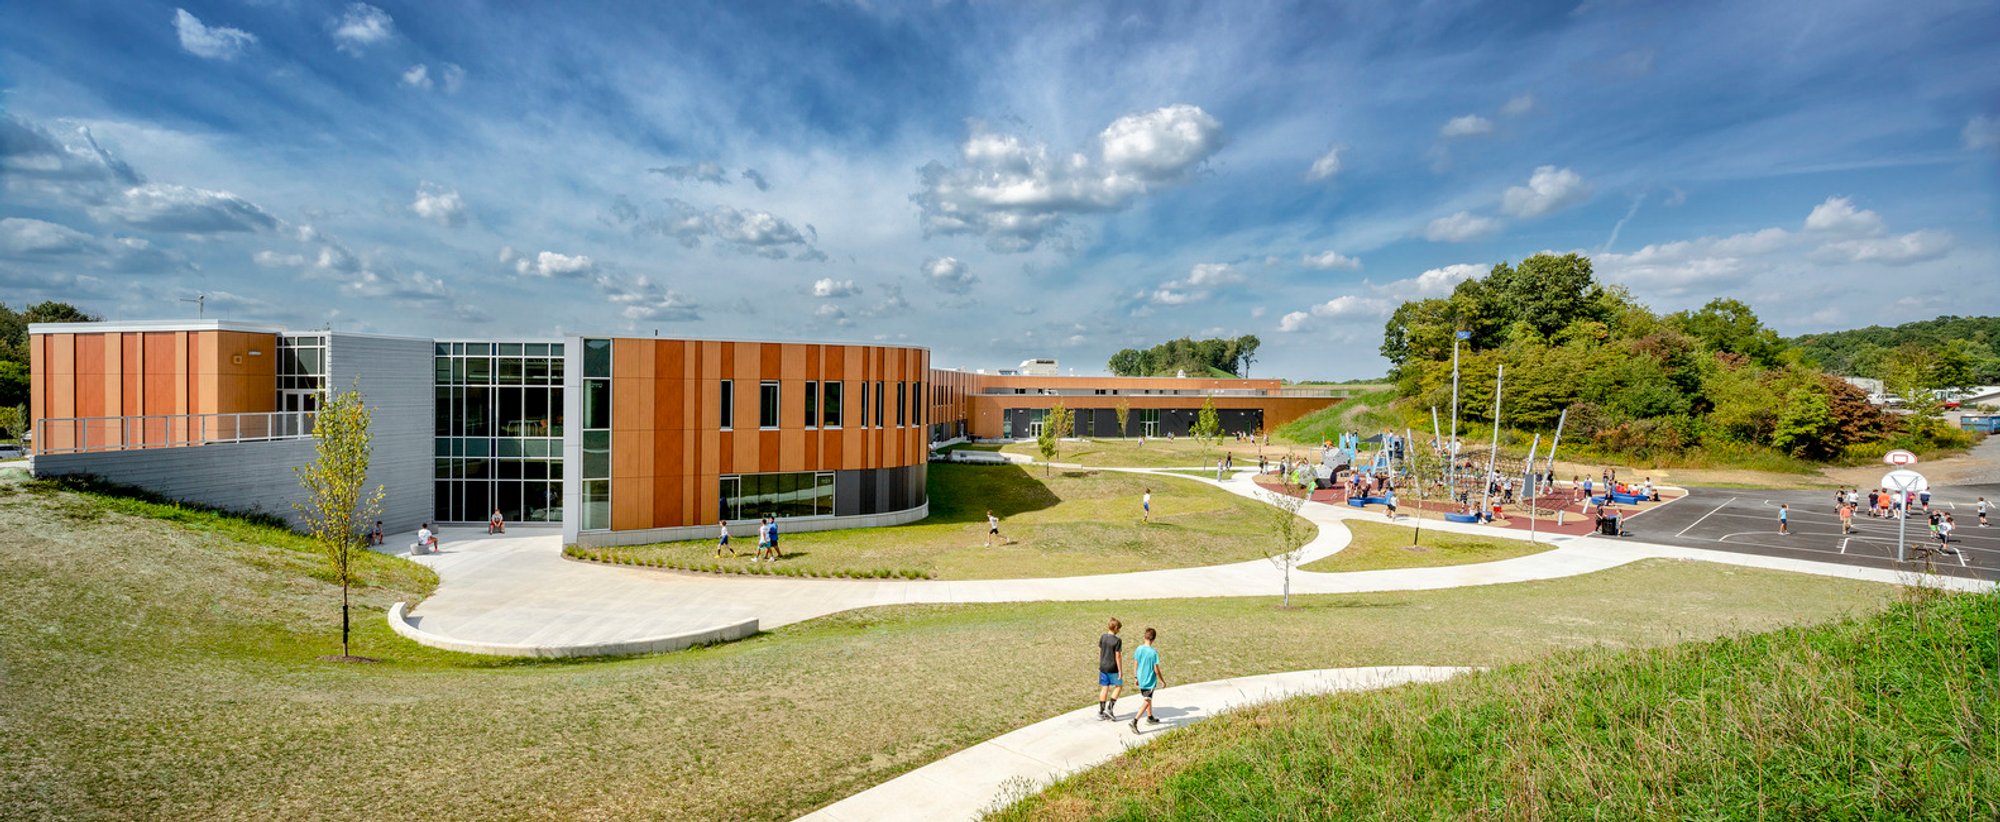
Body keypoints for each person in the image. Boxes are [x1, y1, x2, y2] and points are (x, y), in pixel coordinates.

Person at [1130, 627, 1165, 734]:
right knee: (1147, 700)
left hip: (1140, 679)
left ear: (1144, 637)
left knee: (1148, 698)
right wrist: (1162, 681)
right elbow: (1156, 670)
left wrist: (1136, 677)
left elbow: (1135, 664)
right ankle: (1134, 721)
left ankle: (1150, 717)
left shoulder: (1138, 649)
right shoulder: (1153, 653)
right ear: (1153, 639)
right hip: (1149, 681)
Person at [1097, 618, 1125, 721]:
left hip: (1103, 667)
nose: (1119, 631)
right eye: (1119, 629)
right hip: (1113, 668)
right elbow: (1118, 656)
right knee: (1119, 686)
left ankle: (1101, 712)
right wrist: (1120, 671)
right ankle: (1109, 708)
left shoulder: (1103, 637)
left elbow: (1101, 651)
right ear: (1116, 628)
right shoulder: (1117, 641)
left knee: (1105, 687)